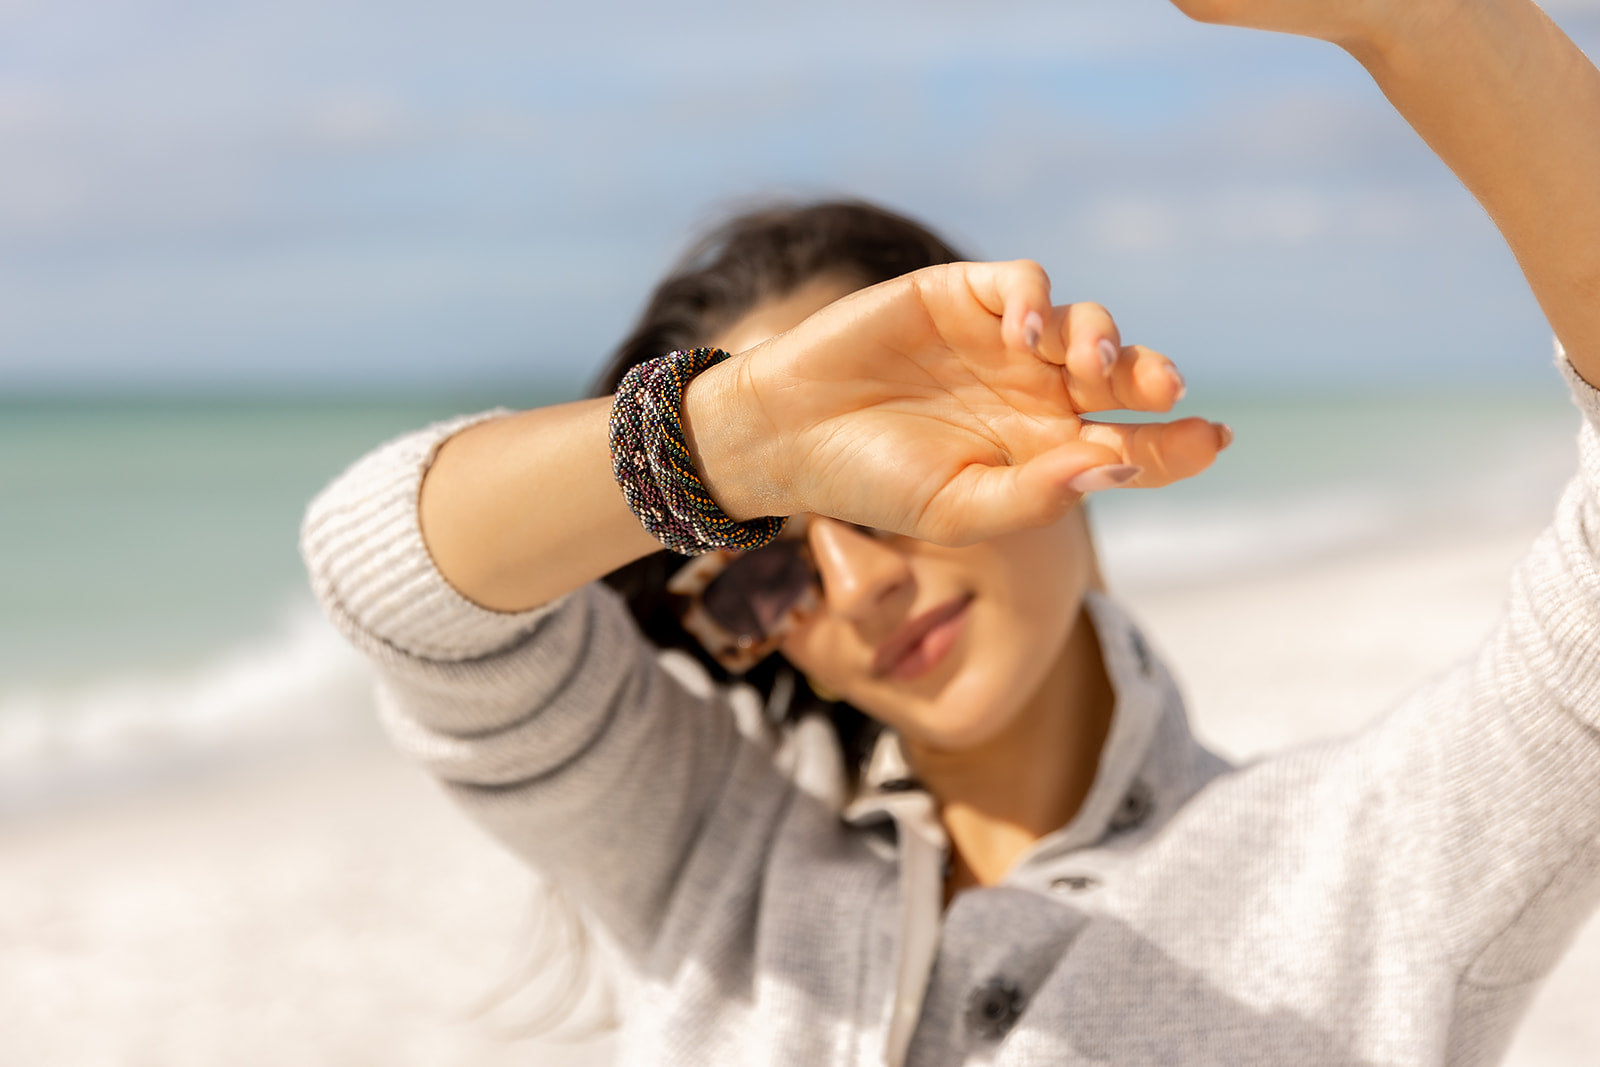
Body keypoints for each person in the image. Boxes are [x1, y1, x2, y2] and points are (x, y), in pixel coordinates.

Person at [300, 0, 1600, 1063]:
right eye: (764, 570)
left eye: (880, 495)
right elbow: (394, 585)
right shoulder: (706, 859)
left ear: (1040, 426)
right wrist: (733, 439)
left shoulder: (1373, 869)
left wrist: (1442, 26)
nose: (856, 582)